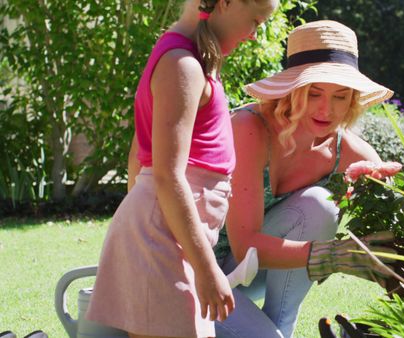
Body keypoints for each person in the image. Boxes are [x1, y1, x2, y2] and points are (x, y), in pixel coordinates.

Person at [85, 0, 279, 337]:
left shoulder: (190, 58)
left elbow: (138, 152)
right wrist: (205, 269)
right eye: (255, 21)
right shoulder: (182, 64)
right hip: (163, 236)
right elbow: (166, 173)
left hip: (167, 234)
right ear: (226, 3)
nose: (253, 35)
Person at [214, 20, 396, 338]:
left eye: (340, 97)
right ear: (293, 89)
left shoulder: (346, 151)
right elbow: (245, 248)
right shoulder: (249, 129)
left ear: (352, 100)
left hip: (243, 276)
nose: (327, 109)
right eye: (314, 93)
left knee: (319, 204)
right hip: (193, 275)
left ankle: (280, 326)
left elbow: (396, 228)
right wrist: (337, 256)